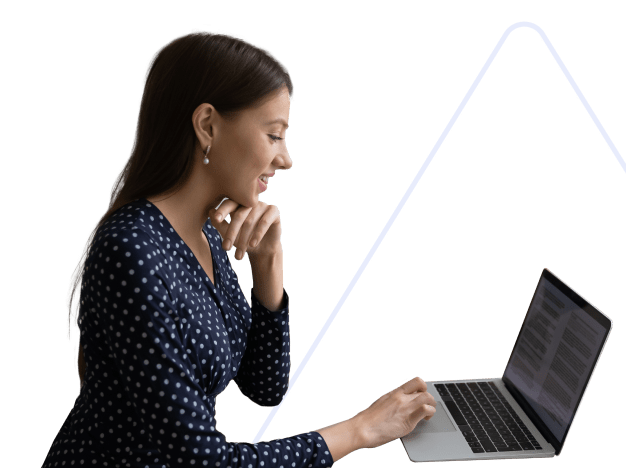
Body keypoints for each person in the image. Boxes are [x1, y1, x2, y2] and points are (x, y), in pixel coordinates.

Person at [42, 28, 437, 468]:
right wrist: (360, 430)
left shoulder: (206, 233)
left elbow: (264, 387)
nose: (286, 159)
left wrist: (268, 264)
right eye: (274, 135)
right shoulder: (131, 251)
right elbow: (203, 461)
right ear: (207, 125)